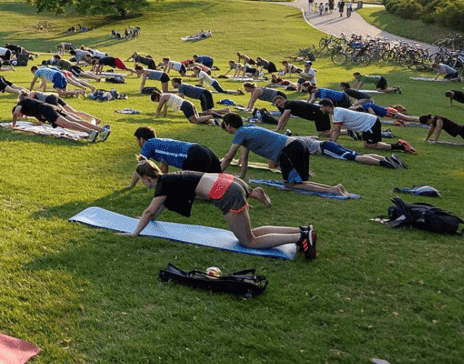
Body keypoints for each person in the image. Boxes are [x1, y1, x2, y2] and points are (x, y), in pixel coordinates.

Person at [125, 161, 317, 258]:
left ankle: (299, 238)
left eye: (141, 180)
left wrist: (134, 233)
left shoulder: (163, 185)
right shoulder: (170, 178)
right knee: (251, 233)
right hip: (230, 181)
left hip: (226, 192)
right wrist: (149, 221)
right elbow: (157, 210)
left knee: (247, 241)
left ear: (146, 178)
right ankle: (302, 231)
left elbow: (149, 211)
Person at [219, 113, 349, 195]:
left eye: (226, 127)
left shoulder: (240, 133)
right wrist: (242, 176)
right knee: (301, 183)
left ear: (229, 125)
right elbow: (244, 156)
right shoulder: (248, 128)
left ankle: (332, 190)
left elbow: (228, 157)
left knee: (291, 185)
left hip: (289, 150)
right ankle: (335, 188)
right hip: (298, 145)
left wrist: (215, 174)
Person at [317, 100, 417, 154]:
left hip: (370, 124)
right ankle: (400, 145)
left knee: (372, 146)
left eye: (321, 107)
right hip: (367, 124)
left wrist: (332, 144)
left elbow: (336, 130)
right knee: (367, 145)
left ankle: (401, 146)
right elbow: (335, 129)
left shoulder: (337, 112)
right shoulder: (336, 112)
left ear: (327, 107)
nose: (320, 109)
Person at [11, 95, 110, 142]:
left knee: (68, 124)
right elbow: (40, 119)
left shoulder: (22, 103)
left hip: (48, 111)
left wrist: (14, 125)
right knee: (75, 120)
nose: (20, 116)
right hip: (53, 107)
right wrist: (39, 123)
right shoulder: (31, 108)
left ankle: (90, 132)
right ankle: (102, 130)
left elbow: (15, 113)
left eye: (20, 115)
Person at [133, 126, 221, 173]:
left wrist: (131, 185)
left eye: (137, 140)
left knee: (188, 190)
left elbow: (141, 167)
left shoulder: (148, 143)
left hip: (194, 156)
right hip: (204, 150)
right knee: (218, 180)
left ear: (142, 139)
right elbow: (164, 168)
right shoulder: (160, 144)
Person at [148, 89, 217, 125]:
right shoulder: (165, 96)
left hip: (185, 106)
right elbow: (165, 108)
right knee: (197, 120)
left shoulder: (163, 97)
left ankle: (212, 115)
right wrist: (164, 116)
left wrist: (155, 117)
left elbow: (159, 107)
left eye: (156, 101)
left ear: (157, 97)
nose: (157, 102)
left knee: (195, 121)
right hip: (187, 104)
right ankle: (213, 122)